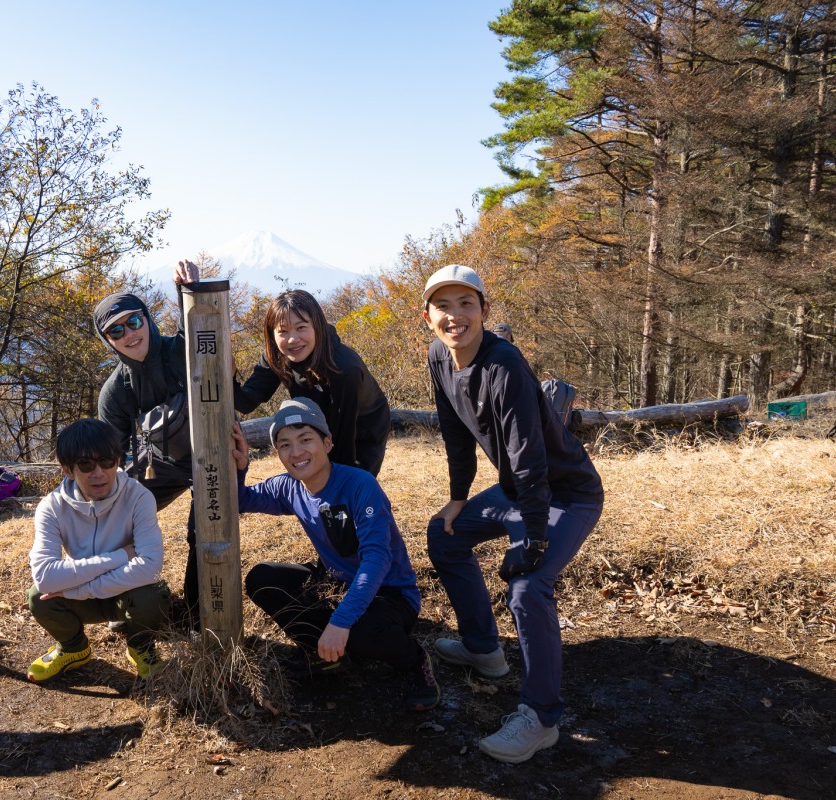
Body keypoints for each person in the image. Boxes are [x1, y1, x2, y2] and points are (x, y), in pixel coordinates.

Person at [421, 264, 603, 762]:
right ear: (427, 316)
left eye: (466, 304)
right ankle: (484, 649)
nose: (455, 316)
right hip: (516, 490)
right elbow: (454, 432)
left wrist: (535, 538)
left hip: (565, 493)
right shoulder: (439, 356)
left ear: (484, 309)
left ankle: (542, 718)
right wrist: (458, 496)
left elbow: (529, 457)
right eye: (443, 306)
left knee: (527, 587)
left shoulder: (504, 366)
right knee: (444, 534)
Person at [231, 397, 440, 711]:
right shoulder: (289, 487)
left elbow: (377, 559)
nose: (296, 452)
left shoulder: (359, 485)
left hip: (391, 594)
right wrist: (241, 467)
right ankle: (322, 654)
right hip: (337, 584)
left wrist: (340, 622)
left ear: (327, 443)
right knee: (263, 578)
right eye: (285, 445)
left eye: (306, 439)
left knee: (361, 631)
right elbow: (241, 500)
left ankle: (414, 662)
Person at [94, 262, 199, 625]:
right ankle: (129, 600)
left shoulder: (180, 350)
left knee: (204, 531)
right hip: (160, 464)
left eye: (134, 321)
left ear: (147, 319)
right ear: (108, 340)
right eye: (116, 330)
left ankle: (199, 615)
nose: (129, 334)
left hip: (214, 454)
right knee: (112, 518)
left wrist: (188, 290)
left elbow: (199, 324)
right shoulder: (115, 391)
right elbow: (108, 456)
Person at [26, 418, 170, 684]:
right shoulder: (51, 506)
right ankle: (73, 648)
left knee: (152, 595)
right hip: (95, 589)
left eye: (107, 461)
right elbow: (45, 577)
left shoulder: (138, 497)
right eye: (86, 464)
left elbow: (150, 566)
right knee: (39, 597)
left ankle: (140, 646)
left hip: (123, 591)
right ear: (68, 469)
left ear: (118, 461)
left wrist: (79, 590)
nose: (99, 472)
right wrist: (121, 555)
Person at [234, 289, 391, 476]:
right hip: (316, 421)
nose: (292, 339)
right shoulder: (277, 355)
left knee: (353, 481)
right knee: (316, 478)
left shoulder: (343, 368)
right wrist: (228, 375)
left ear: (318, 326)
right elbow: (247, 402)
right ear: (272, 334)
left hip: (362, 426)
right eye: (283, 331)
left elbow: (344, 444)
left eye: (301, 327)